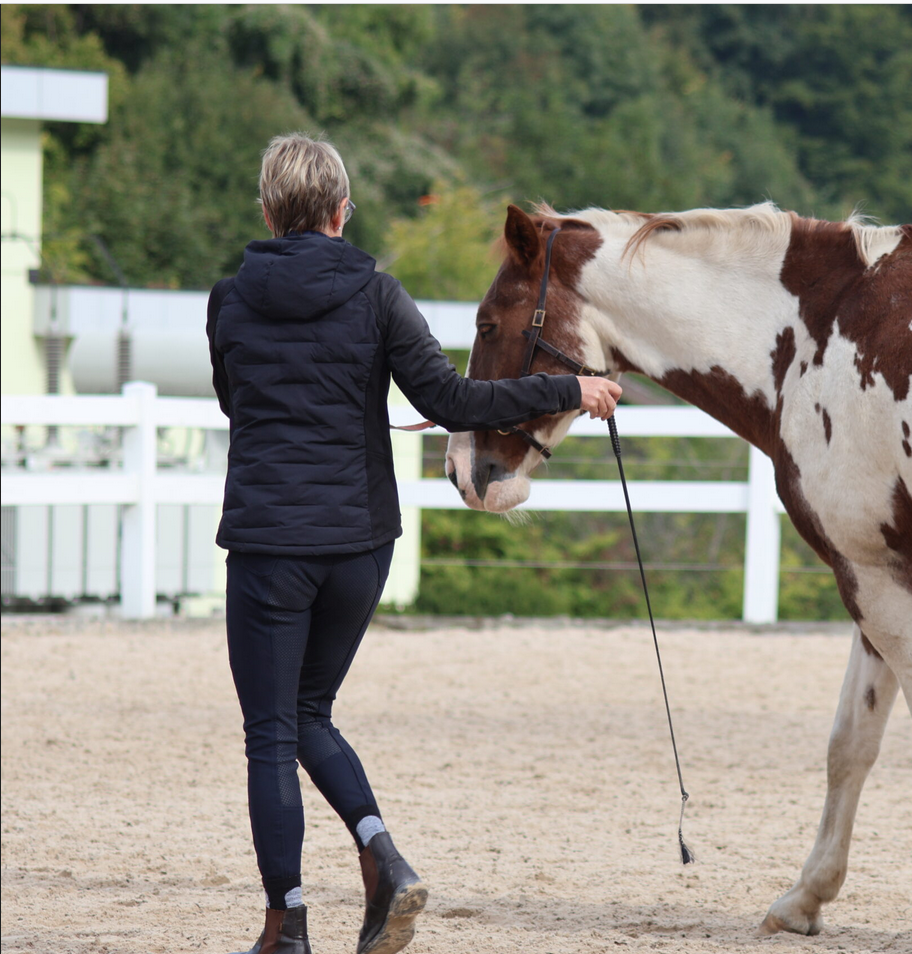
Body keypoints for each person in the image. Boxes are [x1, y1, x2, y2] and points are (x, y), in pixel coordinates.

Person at [207, 133, 621, 954]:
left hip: (269, 545)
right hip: (359, 547)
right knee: (311, 712)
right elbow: (451, 396)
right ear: (340, 211)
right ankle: (381, 857)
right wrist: (569, 384)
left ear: (266, 210)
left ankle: (285, 925)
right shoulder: (378, 294)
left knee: (273, 735)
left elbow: (235, 401)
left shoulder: (228, 299)